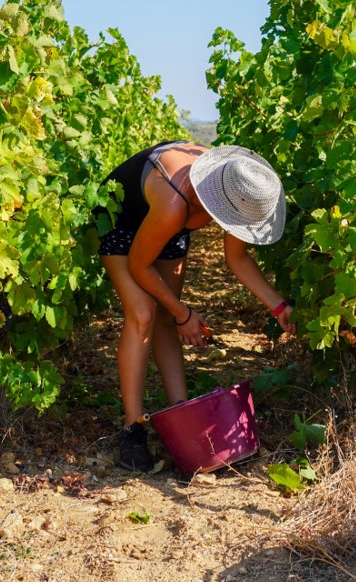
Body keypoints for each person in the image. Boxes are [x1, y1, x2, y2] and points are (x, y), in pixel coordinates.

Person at [95, 142, 292, 471]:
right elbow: (139, 267)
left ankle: (181, 413)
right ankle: (132, 429)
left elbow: (237, 258)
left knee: (166, 319)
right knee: (144, 312)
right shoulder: (175, 201)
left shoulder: (237, 190)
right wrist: (183, 312)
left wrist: (278, 305)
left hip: (169, 226)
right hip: (122, 219)